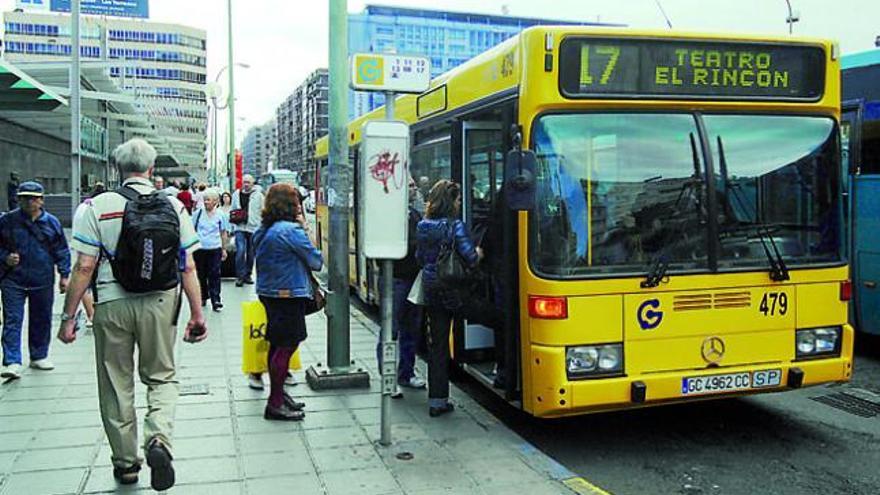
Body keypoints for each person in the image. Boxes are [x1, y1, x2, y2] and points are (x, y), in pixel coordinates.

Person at [57, 138, 206, 491]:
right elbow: (187, 266)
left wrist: (68, 317)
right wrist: (197, 314)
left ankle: (126, 465)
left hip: (111, 303)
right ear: (151, 169)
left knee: (115, 383)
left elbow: (83, 267)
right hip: (160, 303)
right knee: (162, 377)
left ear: (118, 169)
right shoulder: (173, 205)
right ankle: (159, 440)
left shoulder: (94, 207)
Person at [416, 180, 500, 417]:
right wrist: (480, 252)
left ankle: (437, 402)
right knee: (499, 319)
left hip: (432, 291)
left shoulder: (423, 226)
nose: (460, 203)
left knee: (438, 347)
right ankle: (505, 366)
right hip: (456, 292)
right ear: (450, 201)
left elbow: (419, 258)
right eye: (458, 199)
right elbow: (471, 259)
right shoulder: (456, 226)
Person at [253, 183, 322, 421]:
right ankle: (275, 404)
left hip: (269, 292)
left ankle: (280, 396)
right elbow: (316, 261)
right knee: (286, 346)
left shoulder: (264, 228)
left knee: (277, 344)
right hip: (288, 295)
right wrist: (305, 227)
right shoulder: (290, 231)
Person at [0, 181, 71, 379]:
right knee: (13, 319)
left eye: (32, 198)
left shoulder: (51, 223)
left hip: (42, 278)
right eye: (23, 198)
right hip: (13, 279)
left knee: (41, 317)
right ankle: (12, 360)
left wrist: (64, 275)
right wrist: (5, 257)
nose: (28, 202)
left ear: (41, 200)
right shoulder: (7, 221)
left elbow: (62, 250)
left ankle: (39, 355)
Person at [377, 176, 426, 397]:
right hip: (394, 280)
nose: (415, 189)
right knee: (391, 330)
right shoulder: (387, 216)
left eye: (415, 186)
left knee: (411, 329)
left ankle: (406, 373)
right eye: (411, 186)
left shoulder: (415, 215)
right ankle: (388, 379)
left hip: (413, 280)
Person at [192, 189, 229, 312]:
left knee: (215, 274)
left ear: (215, 201)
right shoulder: (198, 213)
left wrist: (224, 249)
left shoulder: (220, 215)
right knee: (201, 274)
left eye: (208, 200)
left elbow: (223, 233)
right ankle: (203, 296)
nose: (206, 202)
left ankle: (216, 299)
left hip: (215, 248)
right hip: (200, 248)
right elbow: (192, 230)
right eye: (205, 200)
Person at [231, 174, 264, 287]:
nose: (246, 184)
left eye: (248, 182)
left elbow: (263, 210)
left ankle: (247, 275)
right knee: (240, 251)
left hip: (253, 227)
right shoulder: (236, 194)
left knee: (251, 253)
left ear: (252, 183)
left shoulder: (258, 195)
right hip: (239, 227)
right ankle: (239, 276)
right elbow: (233, 210)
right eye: (244, 182)